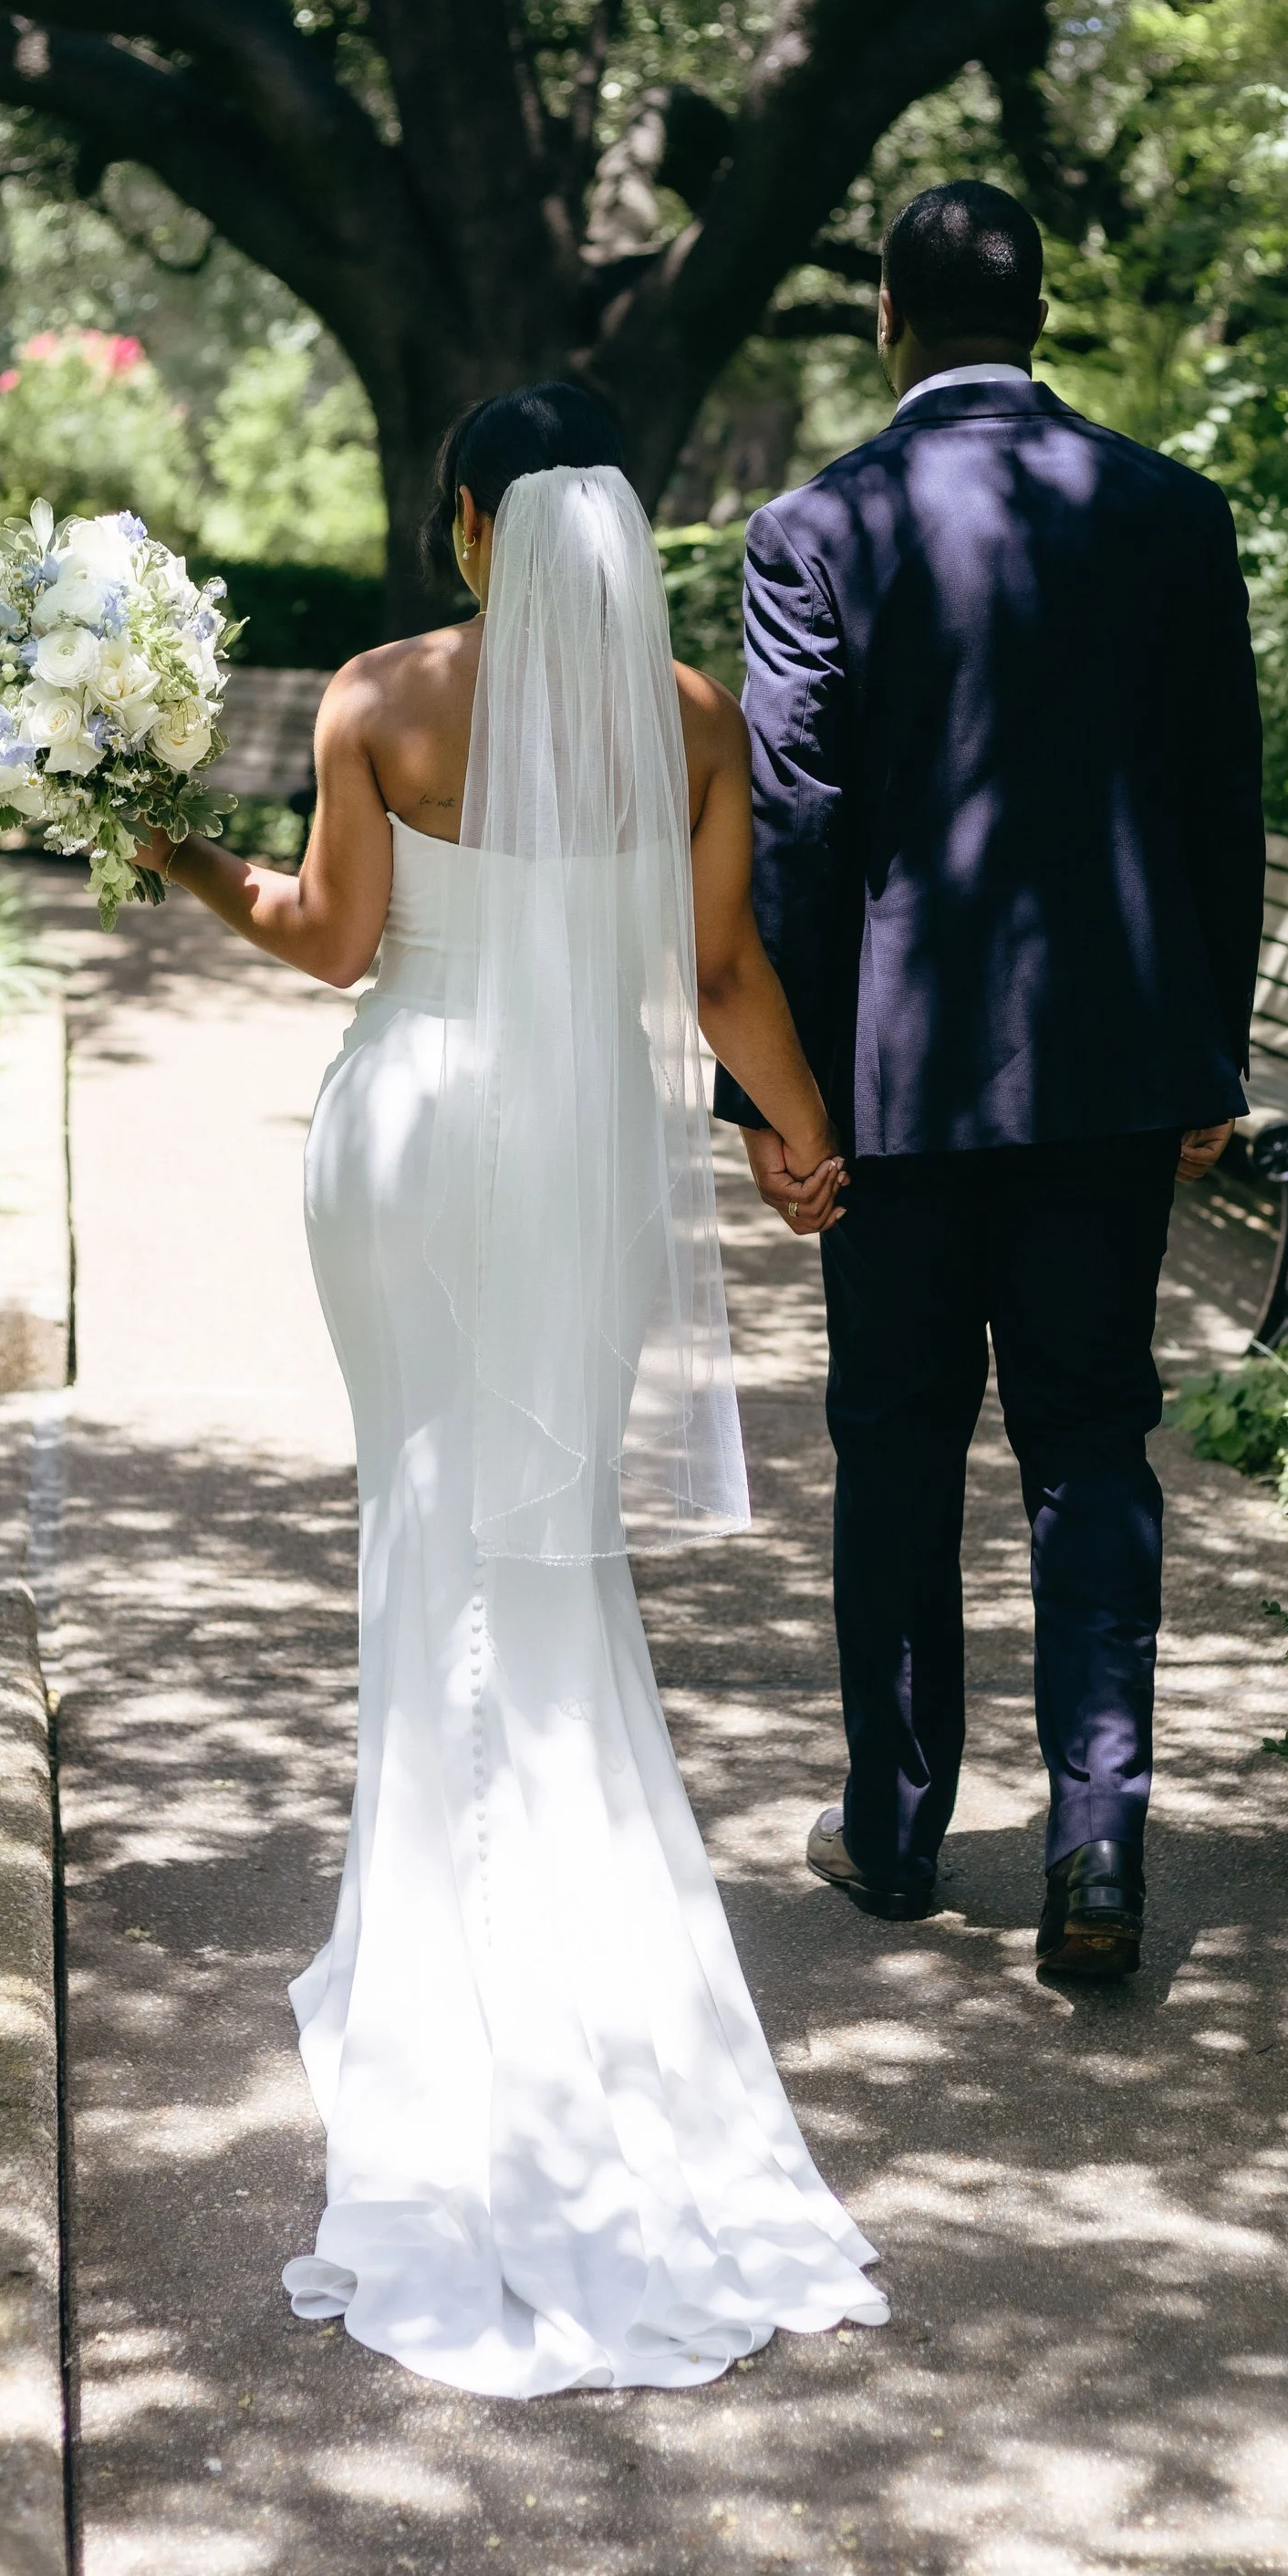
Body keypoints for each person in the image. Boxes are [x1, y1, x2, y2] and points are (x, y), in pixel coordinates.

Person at [147, 381, 886, 2396]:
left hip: (403, 1137)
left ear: (470, 524)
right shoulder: (694, 721)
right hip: (573, 1146)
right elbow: (725, 979)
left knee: (424, 1513)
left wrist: (184, 861)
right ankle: (535, 1923)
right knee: (536, 1542)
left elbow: (326, 943)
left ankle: (433, 1941)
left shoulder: (380, 696)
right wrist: (795, 1137)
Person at [714, 182, 1265, 1981]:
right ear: (1038, 315)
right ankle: (1094, 1852)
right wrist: (1208, 1052)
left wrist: (775, 1102)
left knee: (890, 1447)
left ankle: (892, 1830)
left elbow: (794, 827)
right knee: (1089, 1445)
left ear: (885, 313)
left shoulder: (813, 530)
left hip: (888, 1090)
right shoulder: (1173, 520)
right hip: (1110, 1074)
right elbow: (1215, 811)